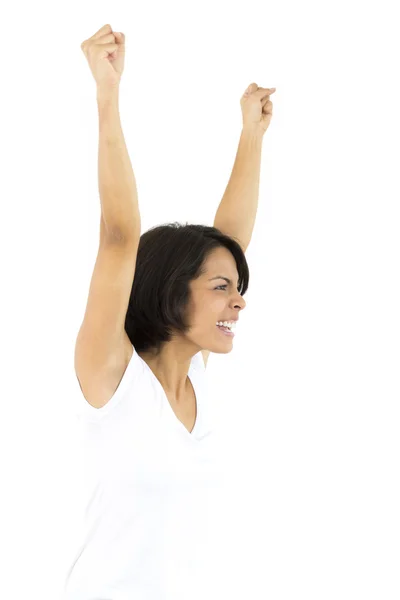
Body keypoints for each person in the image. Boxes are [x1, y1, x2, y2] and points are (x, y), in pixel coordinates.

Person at [64, 24, 254, 600]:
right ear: (173, 291)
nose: (238, 302)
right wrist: (107, 93)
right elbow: (120, 236)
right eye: (223, 289)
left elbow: (229, 243)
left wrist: (252, 132)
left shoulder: (195, 377)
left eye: (238, 288)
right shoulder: (113, 379)